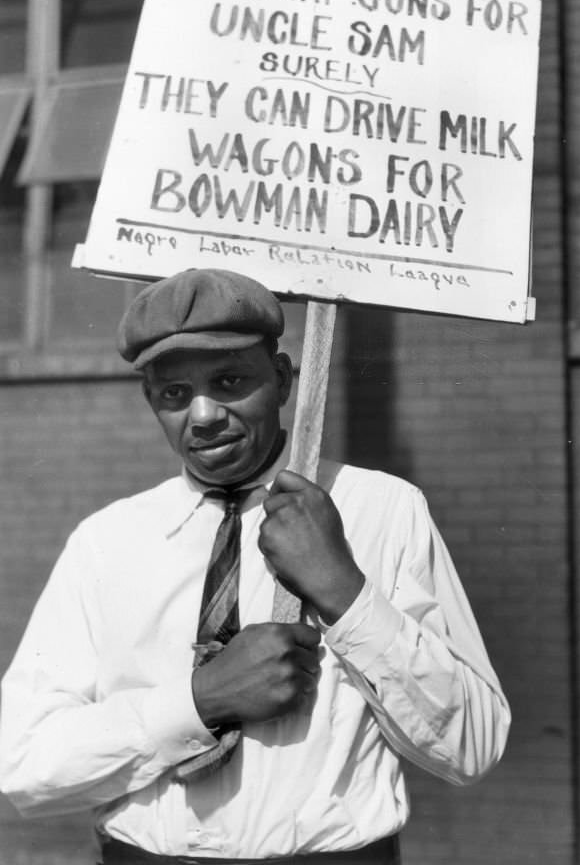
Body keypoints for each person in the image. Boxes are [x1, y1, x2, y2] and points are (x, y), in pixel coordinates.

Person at [0, 268, 510, 865]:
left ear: (285, 379)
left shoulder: (384, 510)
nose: (205, 414)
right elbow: (21, 763)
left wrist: (344, 593)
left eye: (230, 380)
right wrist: (199, 701)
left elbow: (471, 745)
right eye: (175, 394)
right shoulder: (107, 541)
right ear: (151, 402)